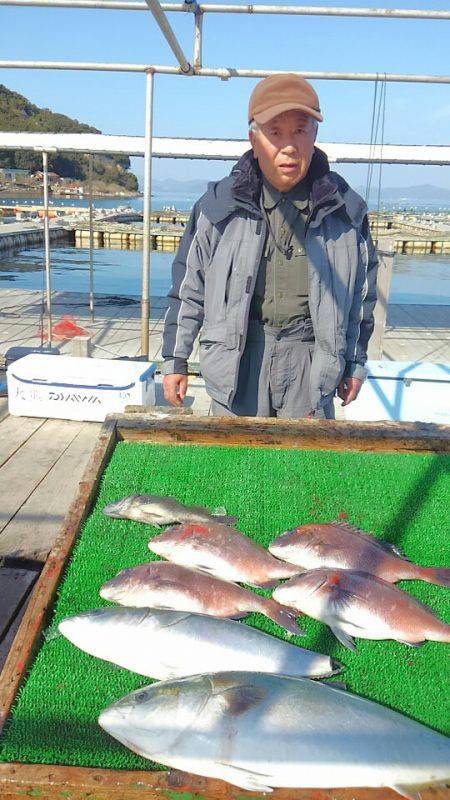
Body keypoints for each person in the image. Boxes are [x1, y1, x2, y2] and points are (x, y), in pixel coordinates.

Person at [162, 73, 379, 418]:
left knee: (303, 467)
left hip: (311, 360)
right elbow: (189, 288)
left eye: (300, 130)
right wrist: (176, 358)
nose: (288, 146)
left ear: (314, 136)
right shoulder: (217, 206)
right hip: (238, 356)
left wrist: (354, 362)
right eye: (275, 132)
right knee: (236, 466)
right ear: (254, 138)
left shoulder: (346, 212)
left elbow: (362, 297)